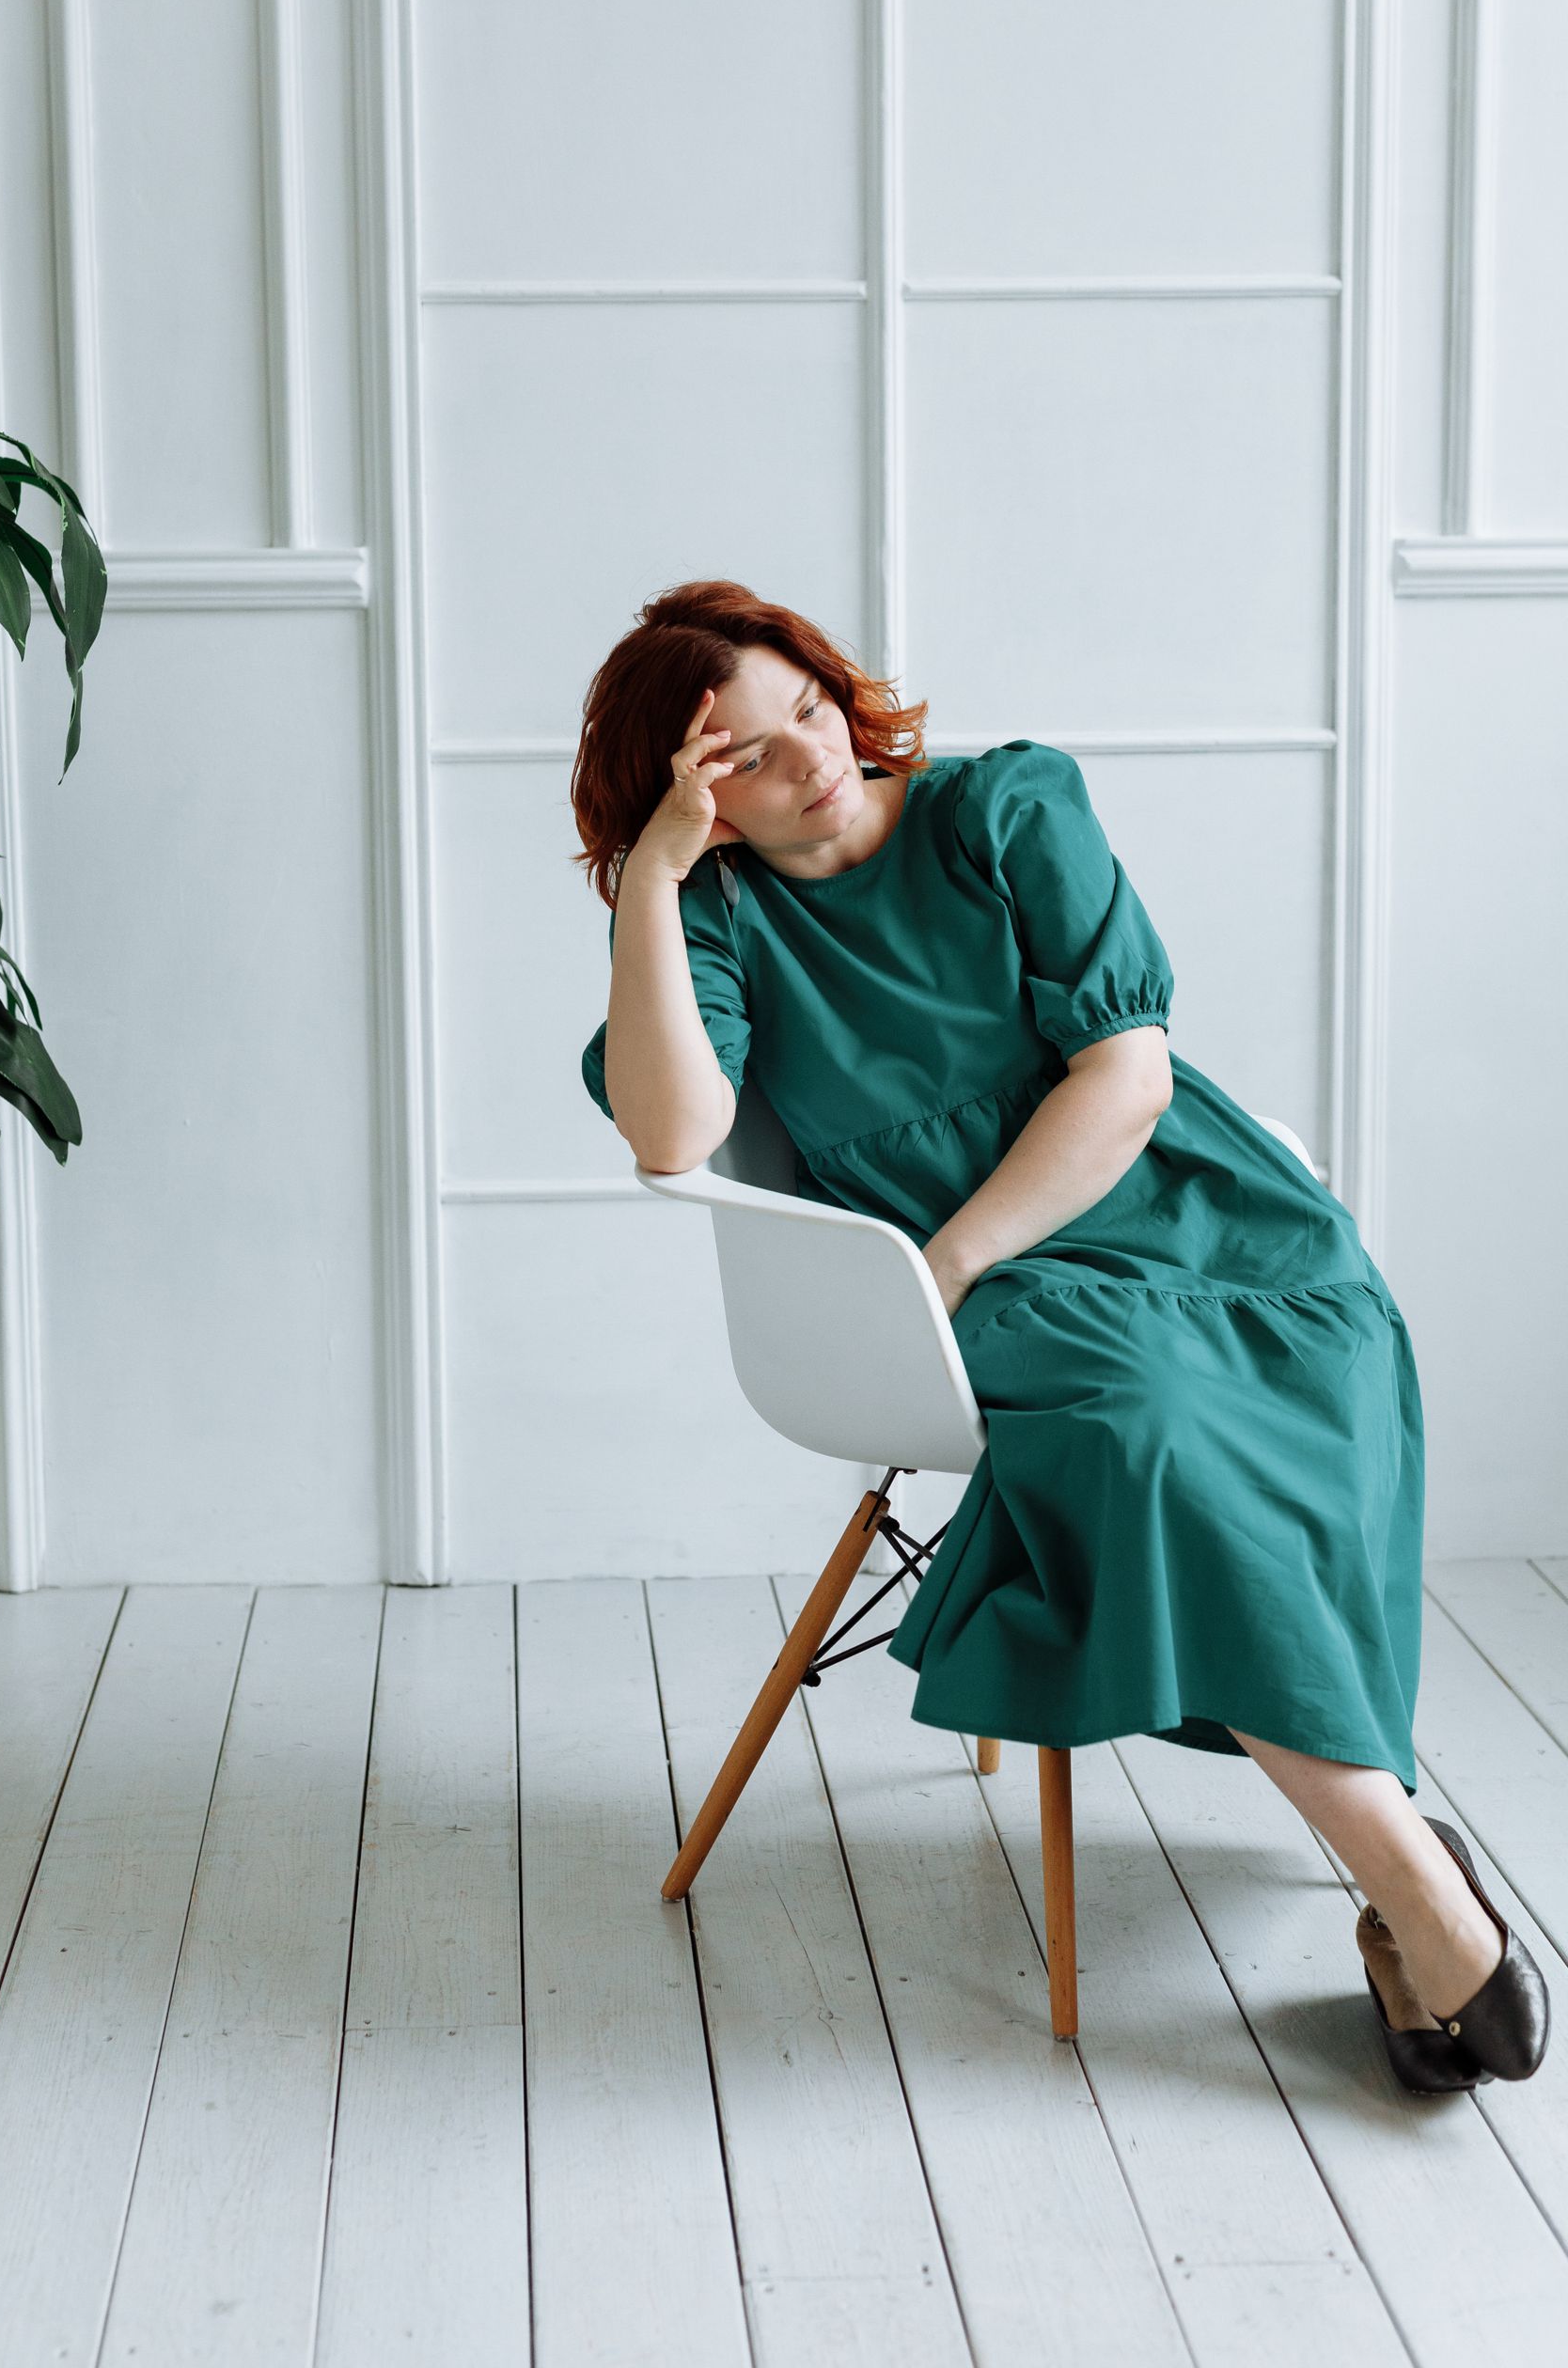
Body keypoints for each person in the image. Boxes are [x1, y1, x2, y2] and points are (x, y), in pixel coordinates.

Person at [572, 580, 1549, 2094]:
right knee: (1148, 1431)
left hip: (1158, 1205)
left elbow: (1128, 1076)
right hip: (984, 1295)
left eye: (813, 711)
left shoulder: (1003, 811)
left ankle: (1409, 1893)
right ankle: (1416, 1885)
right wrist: (648, 886)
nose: (815, 761)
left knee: (1324, 1356)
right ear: (692, 796)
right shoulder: (721, 918)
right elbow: (671, 1132)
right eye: (749, 758)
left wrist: (953, 1255)